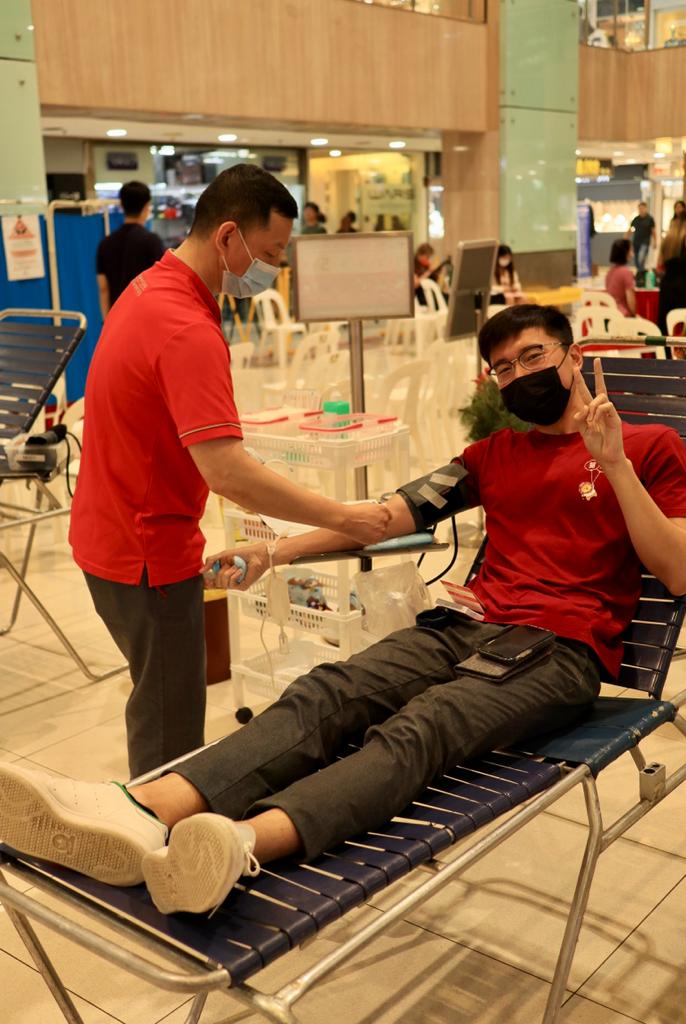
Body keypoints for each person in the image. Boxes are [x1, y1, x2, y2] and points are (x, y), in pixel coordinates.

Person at [4, 303, 686, 915]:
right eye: (502, 368)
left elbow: (677, 570)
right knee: (328, 691)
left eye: (533, 357)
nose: (518, 375)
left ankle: (237, 846)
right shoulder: (489, 457)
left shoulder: (651, 448)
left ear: (574, 357)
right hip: (467, 624)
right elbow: (387, 515)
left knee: (426, 725)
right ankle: (144, 810)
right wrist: (280, 552)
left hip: (561, 648)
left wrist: (615, 464)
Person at [69, 164, 390, 779]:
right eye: (269, 253)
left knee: (157, 703)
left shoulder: (148, 290)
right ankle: (157, 854)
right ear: (226, 238)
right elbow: (226, 472)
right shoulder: (186, 327)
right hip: (145, 555)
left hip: (108, 535)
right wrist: (344, 517)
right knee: (168, 734)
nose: (273, 270)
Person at [96, 181, 165, 317]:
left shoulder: (105, 244)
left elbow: (103, 288)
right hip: (145, 316)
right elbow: (161, 284)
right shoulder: (152, 241)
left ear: (121, 205)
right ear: (147, 206)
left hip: (117, 318)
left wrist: (107, 321)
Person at [657, 215, 686, 334]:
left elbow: (660, 263)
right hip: (683, 284)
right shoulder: (684, 239)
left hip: (668, 283)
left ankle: (666, 352)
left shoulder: (667, 240)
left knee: (667, 323)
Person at [625, 201, 656, 286]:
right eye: (640, 208)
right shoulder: (636, 219)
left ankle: (640, 275)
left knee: (641, 257)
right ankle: (641, 274)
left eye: (643, 208)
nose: (641, 210)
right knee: (636, 260)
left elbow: (653, 231)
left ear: (646, 208)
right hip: (636, 242)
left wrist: (655, 241)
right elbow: (631, 229)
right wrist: (625, 238)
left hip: (645, 242)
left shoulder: (650, 219)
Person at [605, 238, 636, 316]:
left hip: (609, 314)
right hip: (622, 316)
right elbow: (631, 301)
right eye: (631, 250)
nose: (633, 254)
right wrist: (634, 316)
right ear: (626, 253)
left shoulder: (609, 272)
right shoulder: (626, 273)